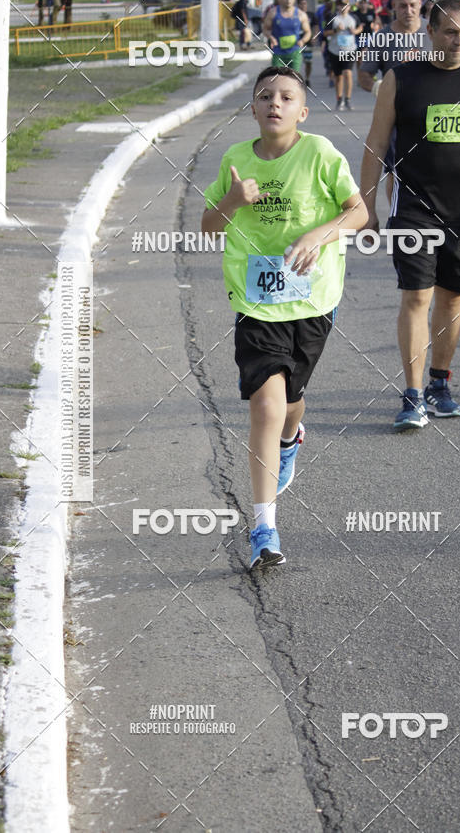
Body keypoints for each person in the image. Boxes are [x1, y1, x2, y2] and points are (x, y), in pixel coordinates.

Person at [201, 67, 368, 568]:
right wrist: (233, 199)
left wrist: (319, 234)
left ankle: (293, 437)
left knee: (291, 401)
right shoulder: (234, 159)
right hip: (255, 303)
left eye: (286, 96)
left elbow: (358, 213)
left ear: (302, 110)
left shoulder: (319, 153)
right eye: (264, 96)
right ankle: (263, 527)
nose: (275, 102)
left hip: (312, 302)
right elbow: (209, 227)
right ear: (253, 108)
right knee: (266, 408)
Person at [360, 0, 460, 430]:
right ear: (430, 32)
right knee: (417, 295)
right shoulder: (401, 78)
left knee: (451, 298)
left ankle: (439, 384)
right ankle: (412, 396)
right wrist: (367, 205)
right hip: (414, 209)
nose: (459, 41)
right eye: (451, 31)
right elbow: (375, 144)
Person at [358, 0, 426, 205]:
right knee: (396, 172)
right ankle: (399, 215)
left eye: (413, 5)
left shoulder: (434, 32)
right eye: (403, 6)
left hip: (432, 115)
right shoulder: (382, 38)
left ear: (421, 3)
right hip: (397, 120)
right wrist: (380, 88)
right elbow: (363, 76)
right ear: (393, 7)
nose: (409, 11)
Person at [324, 0, 362, 110]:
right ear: (338, 7)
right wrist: (335, 30)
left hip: (350, 50)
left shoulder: (353, 18)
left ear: (349, 7)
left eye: (346, 5)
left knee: (348, 73)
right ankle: (339, 99)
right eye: (341, 5)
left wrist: (355, 31)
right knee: (338, 76)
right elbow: (325, 33)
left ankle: (348, 99)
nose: (343, 7)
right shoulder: (333, 18)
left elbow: (360, 27)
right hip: (335, 50)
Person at [263, 0, 311, 72]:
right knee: (278, 79)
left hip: (295, 52)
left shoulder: (300, 14)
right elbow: (265, 29)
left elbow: (308, 32)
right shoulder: (273, 12)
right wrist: (271, 38)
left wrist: (302, 40)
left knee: (294, 78)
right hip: (278, 53)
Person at [297, 0, 315, 85]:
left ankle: (307, 78)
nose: (303, 5)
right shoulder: (294, 15)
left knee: (308, 62)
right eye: (301, 4)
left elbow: (316, 26)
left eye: (305, 3)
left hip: (308, 43)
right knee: (297, 62)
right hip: (297, 43)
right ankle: (297, 80)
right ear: (298, 5)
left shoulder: (310, 15)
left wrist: (314, 36)